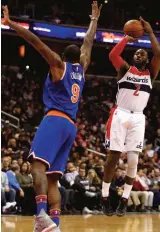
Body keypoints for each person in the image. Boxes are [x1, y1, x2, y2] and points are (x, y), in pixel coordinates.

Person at [2, 2, 102, 231]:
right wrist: (94, 20)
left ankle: (40, 216)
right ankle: (53, 226)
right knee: (53, 180)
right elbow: (88, 42)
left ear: (64, 57)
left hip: (55, 119)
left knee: (36, 166)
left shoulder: (59, 65)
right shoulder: (82, 69)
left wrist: (10, 24)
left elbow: (35, 42)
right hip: (71, 126)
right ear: (78, 58)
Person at [102, 17, 160, 217]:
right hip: (121, 113)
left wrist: (151, 33)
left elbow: (158, 53)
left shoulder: (150, 74)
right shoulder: (125, 69)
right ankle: (104, 197)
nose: (139, 54)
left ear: (146, 58)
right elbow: (112, 54)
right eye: (136, 52)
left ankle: (124, 200)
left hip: (138, 117)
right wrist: (126, 39)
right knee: (113, 157)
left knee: (133, 161)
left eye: (142, 53)